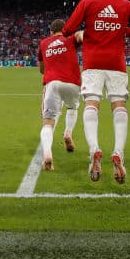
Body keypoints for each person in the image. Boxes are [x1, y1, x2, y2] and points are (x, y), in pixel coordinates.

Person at [62, 0, 130, 184]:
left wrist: (87, 31)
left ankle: (94, 149)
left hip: (93, 62)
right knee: (119, 106)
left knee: (92, 103)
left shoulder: (87, 2)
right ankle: (118, 152)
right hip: (116, 63)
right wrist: (124, 31)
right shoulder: (125, 4)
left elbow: (67, 29)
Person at [37, 19, 83, 171]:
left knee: (48, 122)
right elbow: (80, 36)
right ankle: (68, 133)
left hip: (52, 83)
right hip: (72, 82)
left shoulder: (43, 43)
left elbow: (41, 69)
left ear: (51, 32)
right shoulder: (70, 39)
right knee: (72, 107)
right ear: (65, 30)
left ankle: (47, 155)